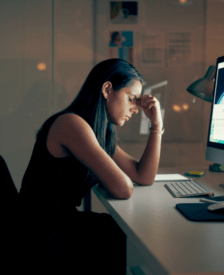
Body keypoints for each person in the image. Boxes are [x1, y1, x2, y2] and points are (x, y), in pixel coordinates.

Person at [18, 58, 163, 274]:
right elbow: (124, 189)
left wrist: (156, 125)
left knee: (130, 234)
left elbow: (143, 176)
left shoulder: (98, 132)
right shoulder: (71, 124)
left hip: (59, 223)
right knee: (130, 243)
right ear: (107, 89)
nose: (135, 109)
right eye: (132, 99)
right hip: (42, 234)